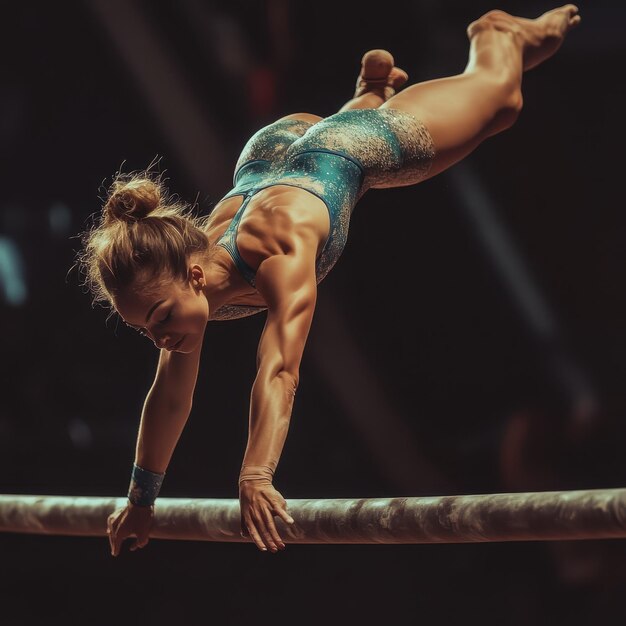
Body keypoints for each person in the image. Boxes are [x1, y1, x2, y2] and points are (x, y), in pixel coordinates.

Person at [77, 5, 582, 555]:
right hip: (269, 160)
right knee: (326, 162)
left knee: (502, 100)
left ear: (195, 275)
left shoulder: (276, 250)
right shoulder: (186, 291)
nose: (161, 339)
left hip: (342, 149)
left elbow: (279, 369)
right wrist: (139, 500)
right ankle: (371, 89)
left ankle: (492, 34)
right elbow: (169, 396)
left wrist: (256, 474)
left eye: (160, 320)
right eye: (145, 329)